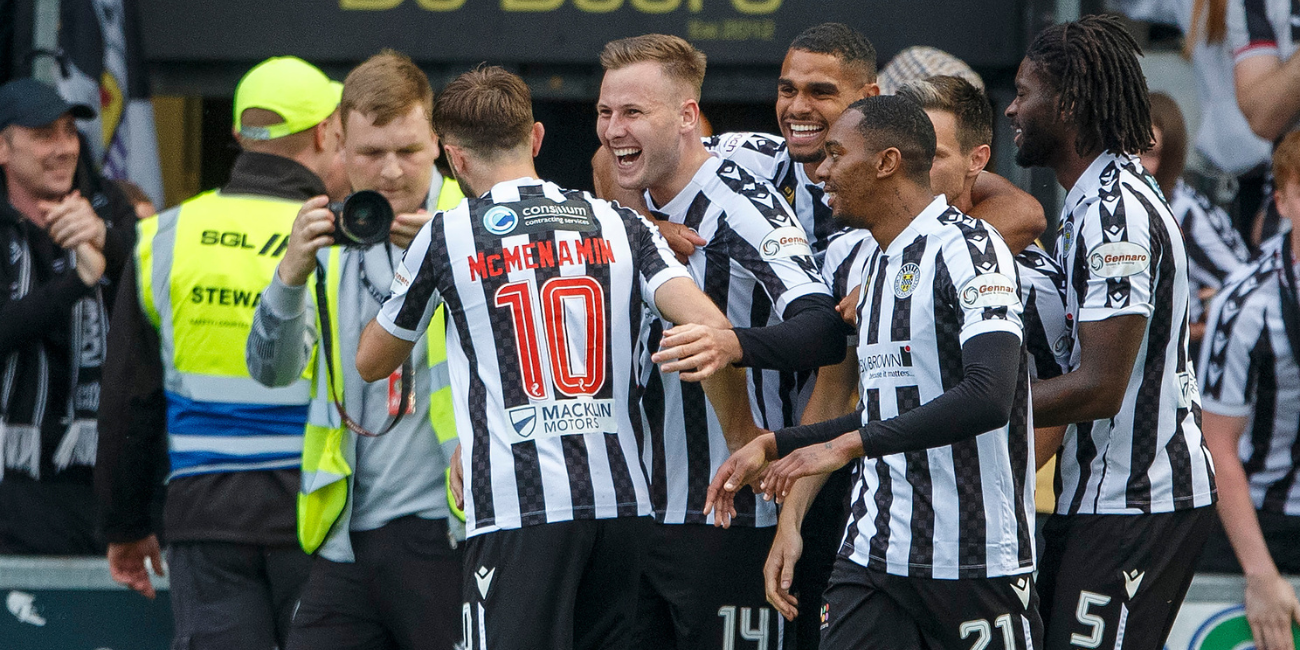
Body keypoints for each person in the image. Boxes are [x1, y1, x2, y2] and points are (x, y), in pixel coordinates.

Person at [355, 64, 758, 650]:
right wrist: (740, 431)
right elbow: (712, 327)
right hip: (622, 505)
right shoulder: (621, 223)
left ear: (454, 157)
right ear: (537, 138)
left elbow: (372, 361)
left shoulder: (446, 235)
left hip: (519, 511)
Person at [711, 95, 1040, 648]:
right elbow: (887, 413)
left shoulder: (971, 247)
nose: (821, 170)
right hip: (872, 552)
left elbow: (989, 396)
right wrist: (775, 443)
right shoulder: (875, 260)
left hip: (974, 558)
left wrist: (845, 447)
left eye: (837, 154)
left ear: (887, 162)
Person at [597, 34, 845, 649]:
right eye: (605, 112)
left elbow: (822, 330)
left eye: (633, 113)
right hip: (639, 514)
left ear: (687, 117)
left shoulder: (739, 206)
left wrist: (729, 345)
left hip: (732, 517)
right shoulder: (630, 209)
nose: (612, 130)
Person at [96, 56, 343, 647]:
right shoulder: (340, 239)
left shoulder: (166, 235)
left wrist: (126, 526)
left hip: (205, 516)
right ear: (321, 135)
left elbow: (129, 399)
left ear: (238, 137)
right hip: (318, 515)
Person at [1007, 15, 1217, 648]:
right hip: (1100, 496)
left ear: (1068, 102)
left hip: (1140, 502)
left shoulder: (1115, 213)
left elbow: (1099, 386)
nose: (1012, 108)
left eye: (1024, 91)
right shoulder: (1090, 200)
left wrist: (970, 404)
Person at [244, 50, 465, 650]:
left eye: (409, 151)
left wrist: (457, 261)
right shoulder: (334, 233)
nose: (391, 172)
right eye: (371, 153)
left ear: (439, 144)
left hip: (448, 526)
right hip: (345, 533)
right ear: (338, 145)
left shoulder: (475, 225)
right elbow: (271, 372)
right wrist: (289, 275)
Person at [0, 77, 135, 554]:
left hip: (100, 475)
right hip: (13, 476)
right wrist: (75, 284)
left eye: (68, 132)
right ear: (3, 148)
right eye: (43, 135)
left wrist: (108, 241)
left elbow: (158, 293)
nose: (63, 149)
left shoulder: (109, 205)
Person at [1198, 130, 1300, 650]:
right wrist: (1260, 573)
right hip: (1264, 524)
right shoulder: (1246, 302)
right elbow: (1218, 446)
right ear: (1282, 202)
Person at [1140, 92, 1250, 350]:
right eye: (1127, 149)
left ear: (1170, 158)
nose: (1136, 163)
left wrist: (1202, 323)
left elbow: (1246, 285)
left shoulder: (1183, 210)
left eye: (1150, 153)